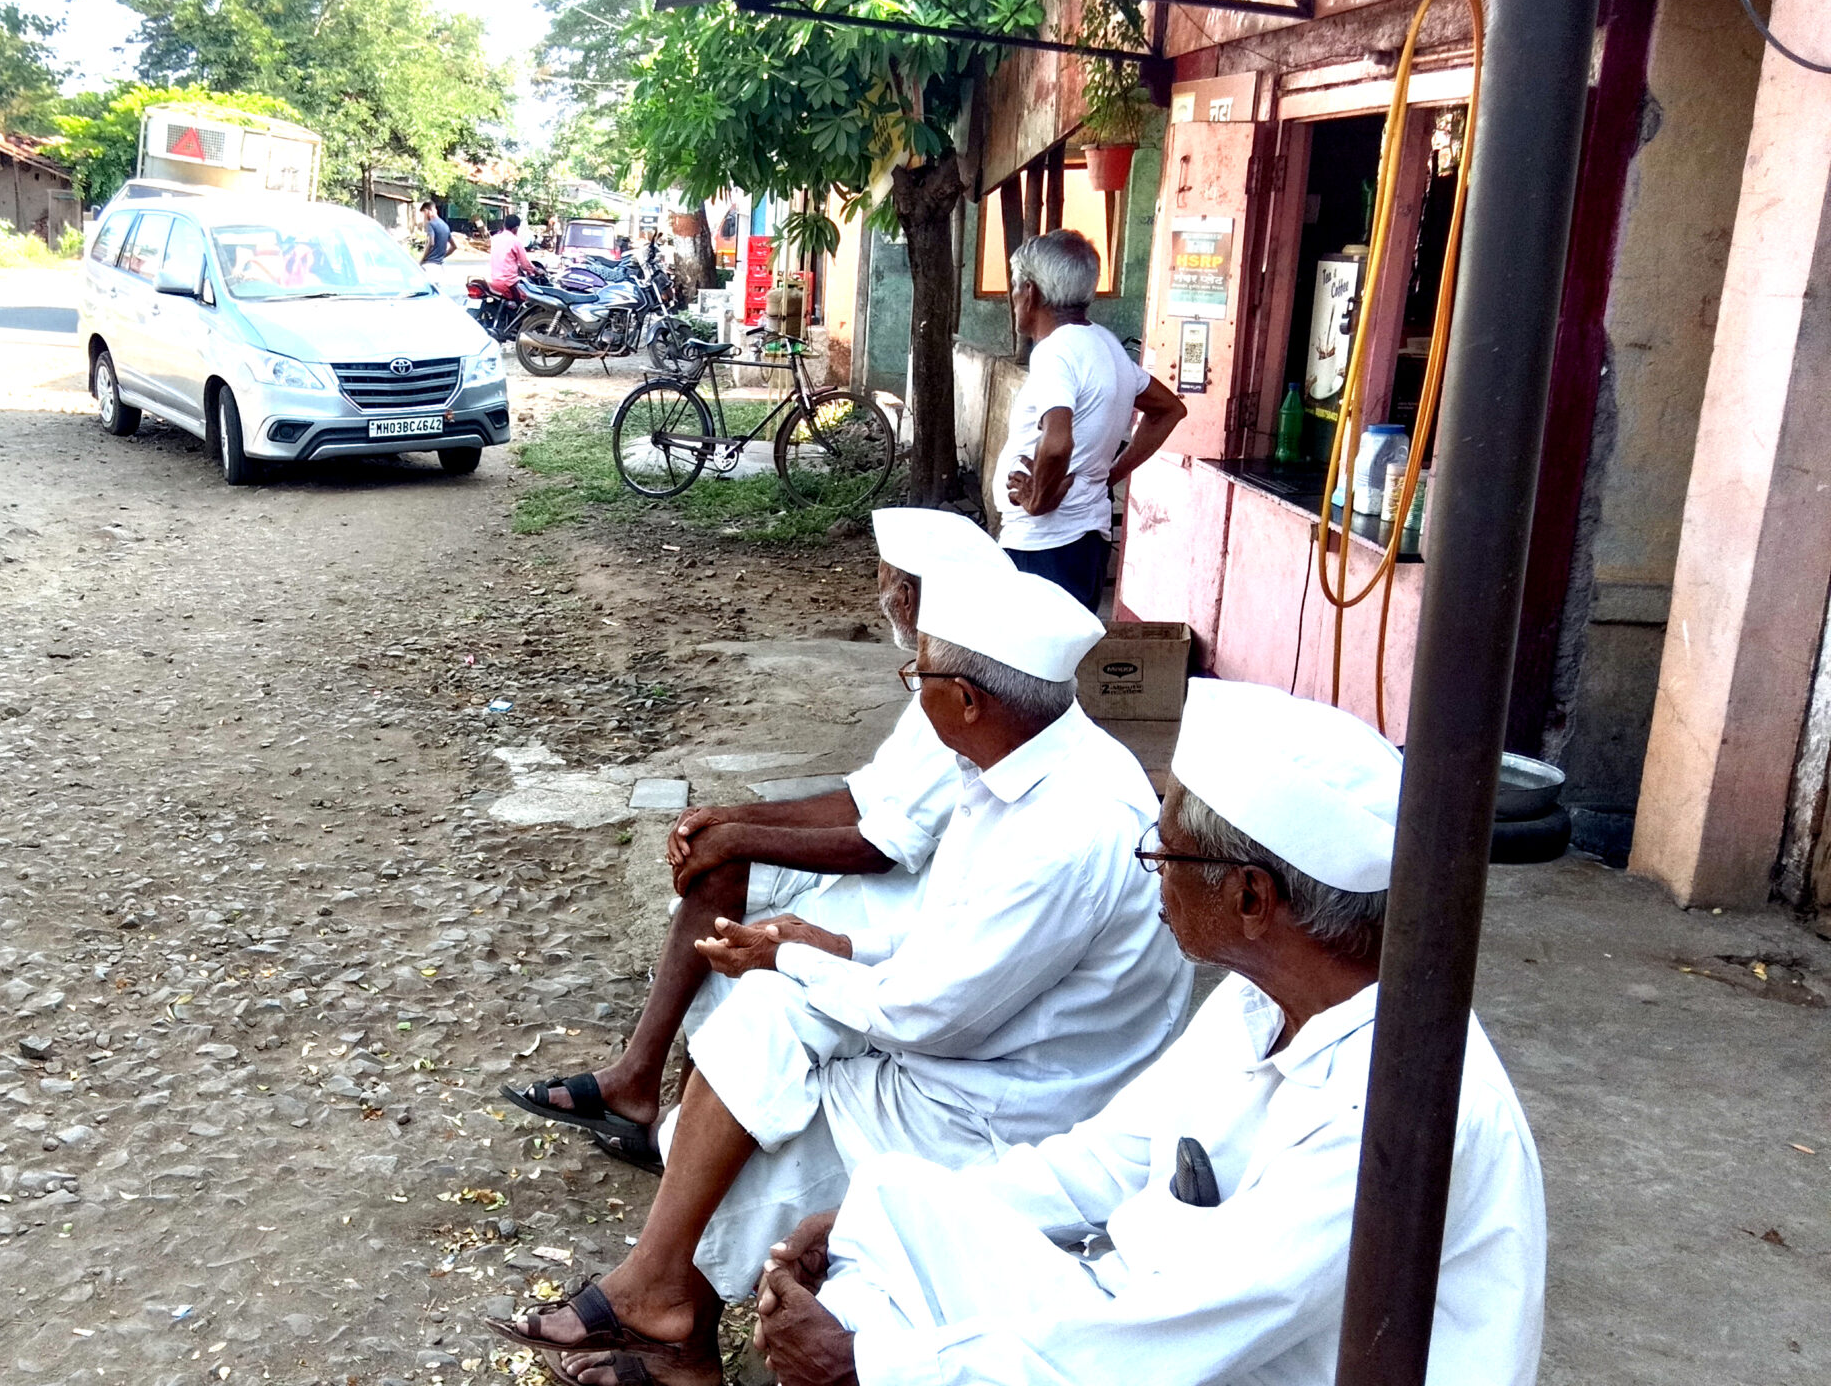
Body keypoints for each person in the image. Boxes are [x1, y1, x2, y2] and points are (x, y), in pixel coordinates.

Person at [490, 568, 1193, 1386]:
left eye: (920, 678)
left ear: (968, 700)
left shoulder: (1066, 831)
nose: (913, 692)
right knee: (759, 1033)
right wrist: (824, 946)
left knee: (748, 1115)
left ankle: (671, 1316)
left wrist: (796, 955)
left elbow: (934, 1015)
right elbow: (955, 944)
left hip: (1008, 1102)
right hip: (979, 1044)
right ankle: (664, 1304)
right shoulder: (1016, 764)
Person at [752, 679, 1548, 1386]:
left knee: (874, 1348)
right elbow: (1106, 1159)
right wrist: (855, 1227)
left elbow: (1167, 1341)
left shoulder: (1392, 1116)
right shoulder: (1257, 1003)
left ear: (1251, 898)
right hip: (1147, 1311)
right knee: (892, 1201)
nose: (1153, 874)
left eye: (1166, 855)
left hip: (1219, 1359)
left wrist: (871, 1365)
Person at [503, 509, 1006, 1167]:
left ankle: (674, 1124)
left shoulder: (959, 693)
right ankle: (642, 1083)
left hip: (909, 901)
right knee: (720, 872)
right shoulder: (935, 672)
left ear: (907, 595)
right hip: (887, 870)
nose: (877, 587)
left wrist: (742, 838)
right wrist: (728, 819)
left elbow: (881, 847)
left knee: (738, 905)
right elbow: (863, 798)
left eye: (883, 575)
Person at [996, 229, 1188, 610]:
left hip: (1044, 546)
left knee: (1033, 646)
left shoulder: (1053, 352)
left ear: (1030, 292)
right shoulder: (1106, 345)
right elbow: (1169, 409)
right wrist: (1109, 476)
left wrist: (1038, 498)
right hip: (1082, 541)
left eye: (1015, 287)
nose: (1013, 297)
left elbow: (1057, 442)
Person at [487, 214, 529, 296]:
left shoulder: (495, 238)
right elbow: (525, 265)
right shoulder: (516, 241)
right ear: (516, 228)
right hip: (509, 282)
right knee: (526, 299)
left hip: (494, 280)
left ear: (504, 225)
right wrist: (535, 270)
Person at [419, 200, 453, 269]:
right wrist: (442, 256)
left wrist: (421, 260)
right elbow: (455, 246)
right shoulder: (445, 225)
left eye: (423, 214)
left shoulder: (430, 224)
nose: (423, 217)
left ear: (427, 211)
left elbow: (431, 243)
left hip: (429, 265)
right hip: (440, 266)